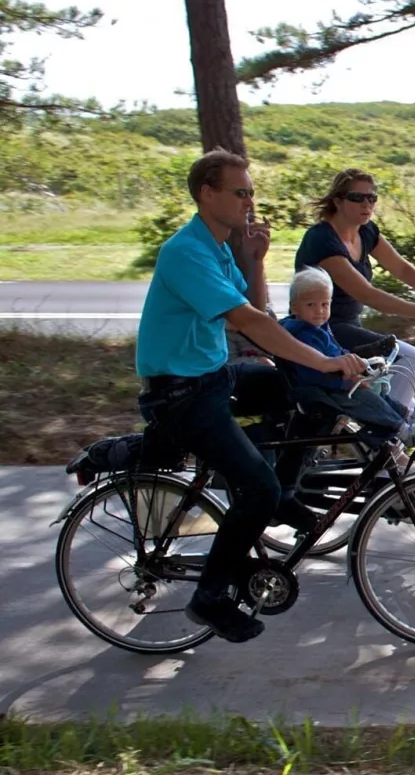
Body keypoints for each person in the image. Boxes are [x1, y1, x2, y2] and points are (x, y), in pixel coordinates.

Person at [136, 148, 366, 644]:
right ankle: (211, 596)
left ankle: (282, 489)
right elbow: (248, 322)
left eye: (251, 191)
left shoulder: (216, 245)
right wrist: (323, 359)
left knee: (296, 390)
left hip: (212, 375)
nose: (249, 200)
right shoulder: (186, 252)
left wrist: (257, 261)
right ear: (207, 193)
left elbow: (255, 306)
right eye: (239, 191)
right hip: (182, 395)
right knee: (256, 486)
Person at [294, 168, 415, 415]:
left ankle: (390, 434)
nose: (367, 204)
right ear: (338, 201)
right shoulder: (322, 239)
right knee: (409, 359)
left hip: (349, 325)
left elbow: (401, 268)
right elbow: (367, 294)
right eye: (357, 198)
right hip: (321, 329)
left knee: (388, 382)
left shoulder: (365, 231)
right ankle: (395, 435)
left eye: (372, 198)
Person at [277, 266, 415, 446]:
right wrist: (346, 381)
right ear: (295, 307)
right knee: (367, 399)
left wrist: (356, 364)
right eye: (311, 305)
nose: (320, 311)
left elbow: (336, 352)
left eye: (325, 304)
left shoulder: (318, 328)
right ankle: (404, 432)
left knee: (377, 392)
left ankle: (410, 415)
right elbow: (311, 372)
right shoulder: (301, 334)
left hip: (333, 383)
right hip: (322, 391)